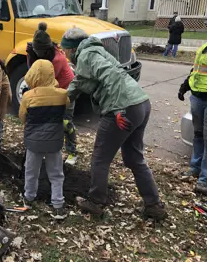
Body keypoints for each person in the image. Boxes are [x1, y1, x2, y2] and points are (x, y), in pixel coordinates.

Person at [64, 28, 167, 220]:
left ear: (71, 49)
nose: (66, 55)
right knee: (134, 158)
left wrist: (119, 109)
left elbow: (105, 77)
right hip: (141, 102)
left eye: (65, 51)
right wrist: (63, 97)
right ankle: (154, 205)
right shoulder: (97, 51)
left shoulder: (86, 56)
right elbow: (81, 83)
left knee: (100, 158)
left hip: (122, 109)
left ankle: (95, 202)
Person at [19, 59, 69, 220]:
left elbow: (22, 117)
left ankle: (29, 198)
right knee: (56, 173)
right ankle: (58, 205)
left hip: (33, 143)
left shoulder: (28, 96)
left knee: (31, 171)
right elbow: (66, 111)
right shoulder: (62, 95)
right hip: (54, 142)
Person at [26, 22, 77, 164]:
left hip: (66, 90)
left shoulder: (57, 59)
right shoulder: (36, 53)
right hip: (52, 90)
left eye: (38, 52)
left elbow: (42, 80)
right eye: (34, 51)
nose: (36, 53)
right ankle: (49, 148)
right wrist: (30, 56)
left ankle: (72, 151)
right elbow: (33, 72)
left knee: (66, 122)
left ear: (45, 50)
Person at [178, 16, 207, 196]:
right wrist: (185, 85)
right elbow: (196, 69)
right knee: (198, 135)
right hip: (198, 97)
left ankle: (206, 180)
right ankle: (195, 168)